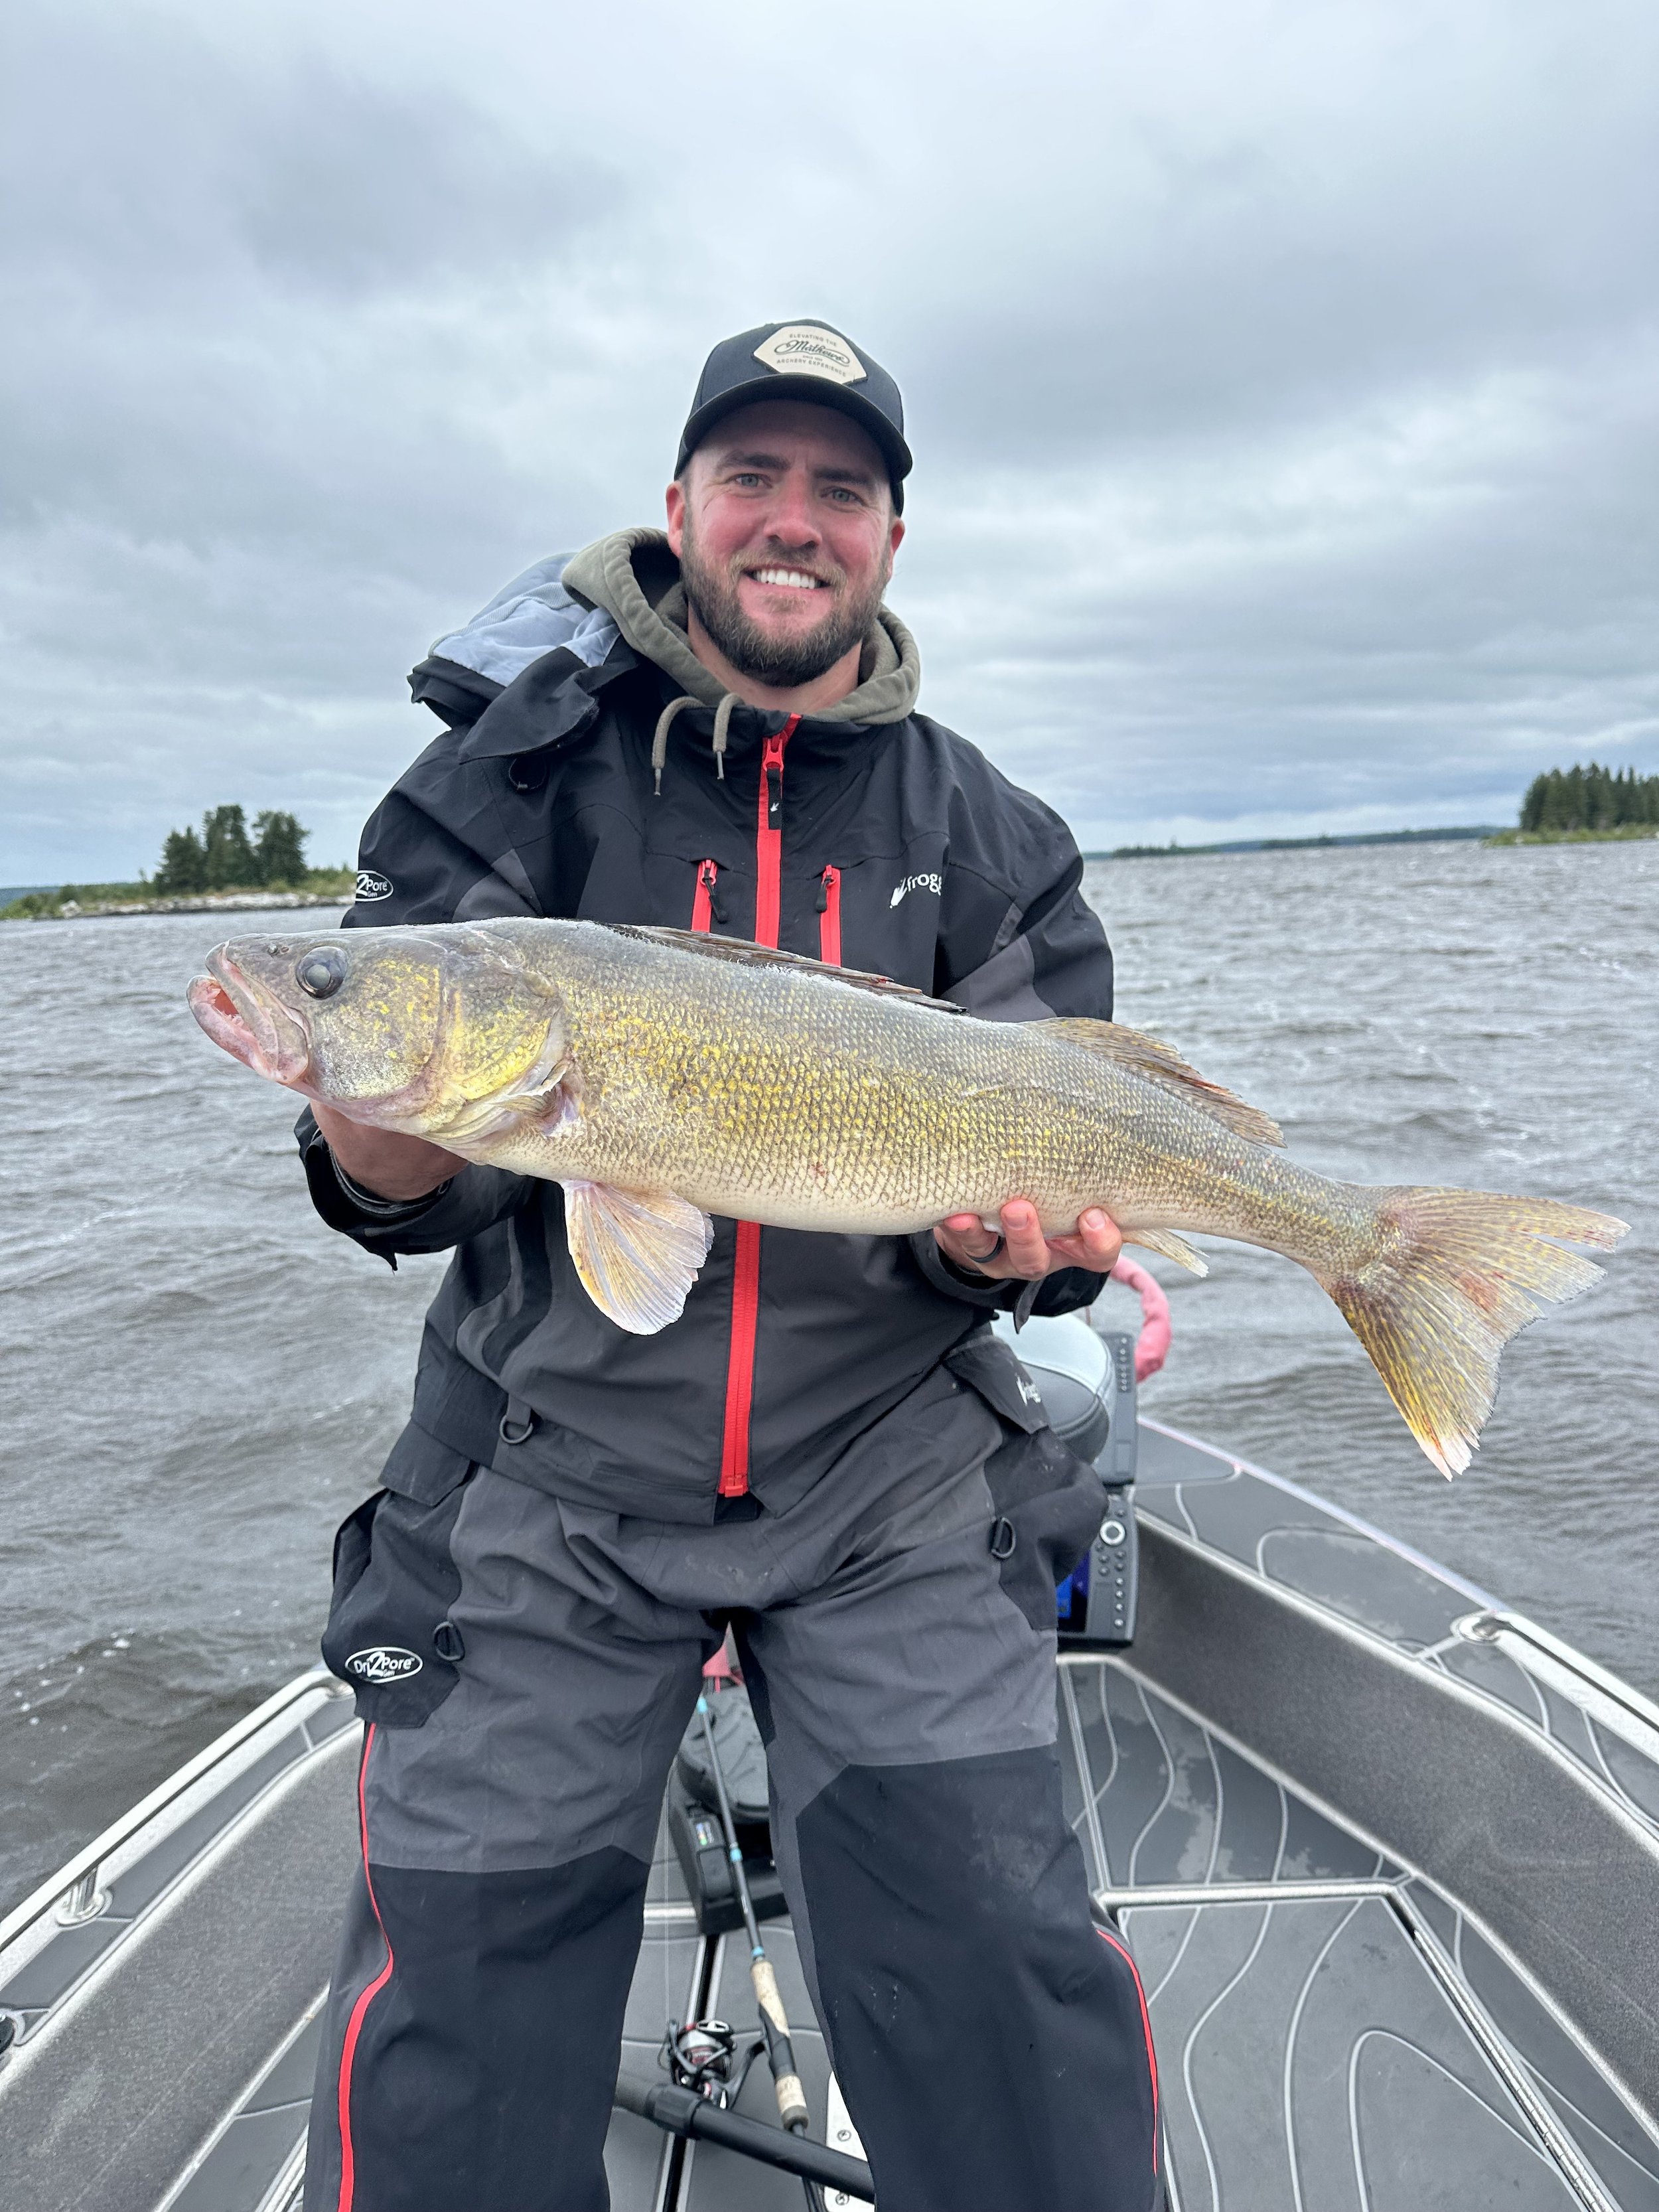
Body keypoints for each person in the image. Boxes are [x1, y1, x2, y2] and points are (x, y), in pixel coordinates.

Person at [295, 319, 1160, 2212]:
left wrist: (1015, 1261)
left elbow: (1031, 1261)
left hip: (891, 1483)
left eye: (837, 489)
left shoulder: (994, 836)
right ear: (676, 508)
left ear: (888, 542)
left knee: (1001, 1978)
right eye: (749, 479)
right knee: (457, 2035)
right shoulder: (503, 780)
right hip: (546, 1476)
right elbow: (397, 1191)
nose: (792, 521)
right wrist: (365, 1115)